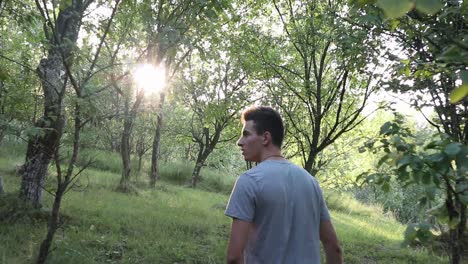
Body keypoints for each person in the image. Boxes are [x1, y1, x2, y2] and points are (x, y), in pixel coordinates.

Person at [225, 106, 342, 264]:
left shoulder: (249, 181)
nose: (240, 142)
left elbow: (234, 257)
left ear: (265, 138)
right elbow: (334, 247)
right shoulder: (311, 182)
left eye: (246, 134)